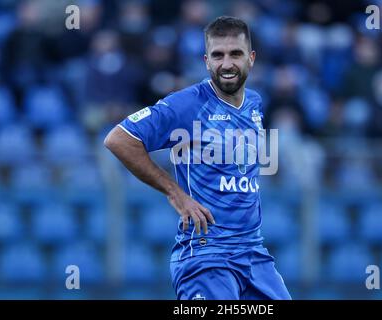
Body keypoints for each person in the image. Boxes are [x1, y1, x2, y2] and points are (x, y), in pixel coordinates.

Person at [104, 16, 291, 300]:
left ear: (251, 59)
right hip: (206, 255)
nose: (226, 64)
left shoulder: (254, 103)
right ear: (206, 61)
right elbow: (118, 139)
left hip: (253, 253)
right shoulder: (188, 104)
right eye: (218, 55)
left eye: (235, 54)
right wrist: (175, 193)